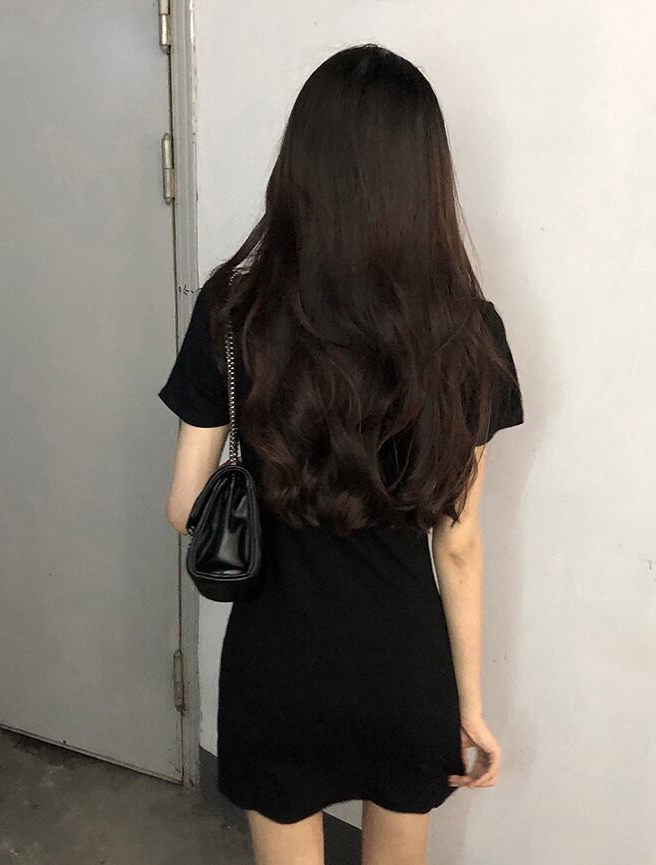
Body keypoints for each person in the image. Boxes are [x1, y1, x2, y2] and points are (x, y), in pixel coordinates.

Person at [159, 43, 524, 865]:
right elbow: (459, 544)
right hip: (404, 672)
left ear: (301, 168)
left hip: (276, 668)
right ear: (424, 178)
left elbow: (184, 508)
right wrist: (468, 704)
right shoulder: (468, 334)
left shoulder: (233, 313)